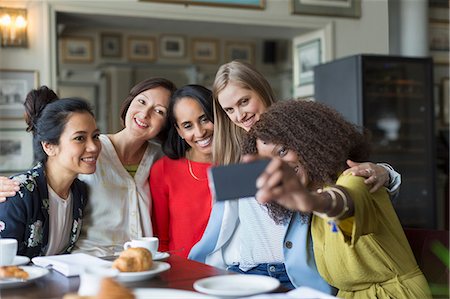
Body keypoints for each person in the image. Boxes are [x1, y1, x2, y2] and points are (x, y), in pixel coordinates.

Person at [189, 61, 401, 292]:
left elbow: (350, 178)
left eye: (244, 101)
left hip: (298, 273)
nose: (240, 115)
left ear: (261, 90)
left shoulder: (303, 131)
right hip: (245, 270)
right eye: (229, 110)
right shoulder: (235, 153)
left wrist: (386, 173)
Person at [243, 99, 431, 298]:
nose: (280, 166)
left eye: (283, 151)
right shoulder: (313, 197)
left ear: (308, 140)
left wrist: (313, 201)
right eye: (270, 161)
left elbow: (344, 200)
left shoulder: (355, 177)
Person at [0, 78, 177, 257]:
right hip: (83, 266)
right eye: (142, 101)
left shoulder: (78, 191)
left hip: (136, 263)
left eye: (159, 111)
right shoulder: (24, 191)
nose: (145, 114)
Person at [0, 86, 101, 258]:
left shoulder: (80, 192)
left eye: (96, 136)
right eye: (80, 138)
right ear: (49, 146)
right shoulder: (18, 194)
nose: (93, 147)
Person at [150, 85, 213, 258]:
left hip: (232, 273)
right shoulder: (164, 170)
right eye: (188, 125)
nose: (200, 132)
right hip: (183, 270)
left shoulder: (239, 163)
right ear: (179, 131)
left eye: (204, 119)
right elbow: (160, 239)